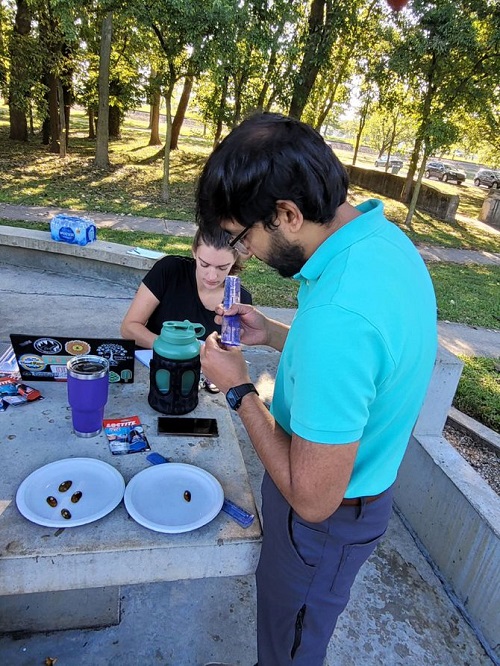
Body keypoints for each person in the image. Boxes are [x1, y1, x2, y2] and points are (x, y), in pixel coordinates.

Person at [196, 113, 437, 666]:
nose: (244, 253)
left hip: (323, 519)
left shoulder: (339, 319)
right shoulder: (377, 238)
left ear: (287, 214)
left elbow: (311, 499)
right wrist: (279, 335)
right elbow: (370, 358)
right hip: (353, 493)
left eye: (243, 236)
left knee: (289, 650)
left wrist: (239, 392)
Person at [121, 226, 252, 350]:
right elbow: (129, 327)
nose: (212, 276)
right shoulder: (169, 270)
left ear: (235, 259)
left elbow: (230, 352)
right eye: (204, 264)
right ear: (194, 252)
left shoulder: (239, 298)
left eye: (222, 267)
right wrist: (173, 349)